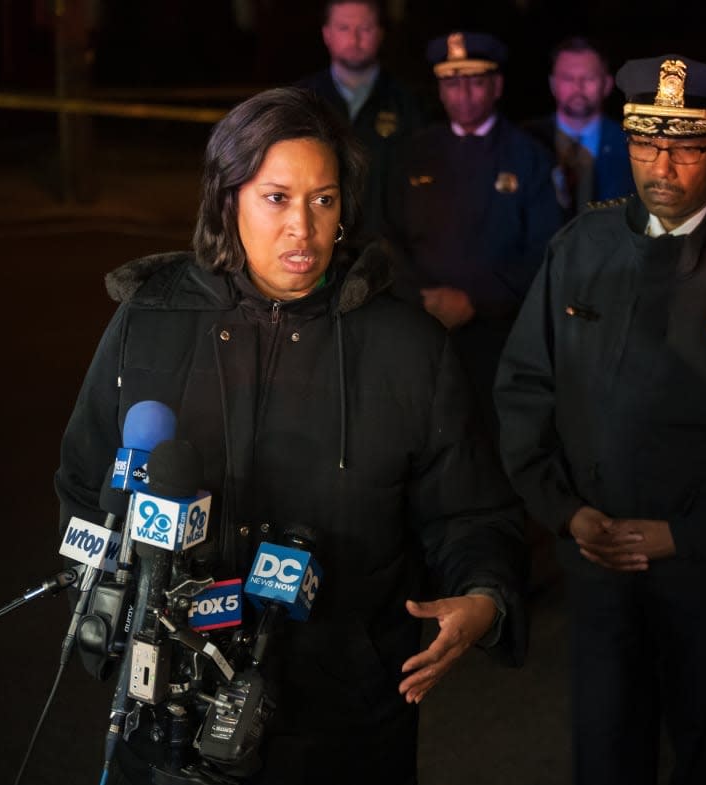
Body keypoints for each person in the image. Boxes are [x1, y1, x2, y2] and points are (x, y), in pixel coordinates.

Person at [55, 86, 527, 785]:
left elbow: (469, 514)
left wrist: (484, 595)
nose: (303, 228)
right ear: (228, 201)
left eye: (324, 199)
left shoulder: (409, 348)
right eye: (277, 197)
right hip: (170, 722)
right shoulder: (148, 321)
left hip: (344, 726)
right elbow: (82, 488)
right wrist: (114, 630)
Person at [495, 55, 706, 785]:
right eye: (647, 143)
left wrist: (691, 533)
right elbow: (525, 385)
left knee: (705, 740)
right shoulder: (582, 247)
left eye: (686, 146)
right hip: (596, 559)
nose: (663, 165)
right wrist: (564, 512)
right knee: (605, 740)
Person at [386, 30, 562, 436]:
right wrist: (420, 298)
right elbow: (387, 237)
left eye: (475, 81)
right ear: (439, 89)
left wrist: (475, 301)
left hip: (500, 337)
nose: (463, 94)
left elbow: (545, 249)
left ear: (497, 86)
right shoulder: (413, 154)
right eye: (451, 82)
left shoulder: (529, 156)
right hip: (420, 330)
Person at [297, 0, 426, 237]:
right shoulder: (301, 100)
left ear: (380, 34)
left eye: (365, 29)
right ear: (327, 34)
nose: (355, 39)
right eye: (344, 28)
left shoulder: (407, 102)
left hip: (388, 250)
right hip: (317, 240)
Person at [524, 36, 635, 220]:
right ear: (553, 84)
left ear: (607, 84)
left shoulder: (631, 145)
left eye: (588, 78)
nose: (578, 87)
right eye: (568, 78)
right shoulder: (525, 142)